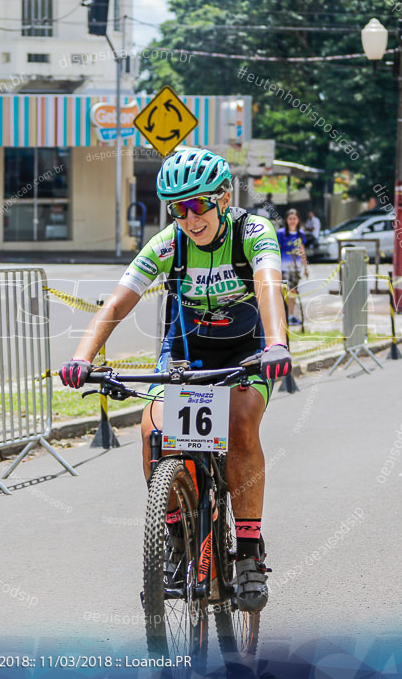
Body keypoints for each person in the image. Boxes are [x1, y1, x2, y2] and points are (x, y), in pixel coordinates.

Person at [58, 148, 290, 613]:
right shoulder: (168, 243)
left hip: (247, 352)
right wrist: (81, 357)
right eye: (176, 208)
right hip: (187, 352)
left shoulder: (252, 231)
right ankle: (176, 535)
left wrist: (278, 344)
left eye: (198, 205)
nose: (188, 217)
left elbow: (267, 286)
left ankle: (246, 551)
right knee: (155, 431)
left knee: (241, 424)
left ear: (224, 197)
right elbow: (117, 304)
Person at [276, 209, 307, 326]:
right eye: (290, 219)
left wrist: (306, 267)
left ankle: (290, 314)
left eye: (294, 219)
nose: (292, 221)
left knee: (293, 292)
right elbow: (277, 249)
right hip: (284, 267)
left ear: (298, 220)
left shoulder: (300, 234)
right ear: (286, 220)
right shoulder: (281, 233)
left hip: (296, 268)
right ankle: (284, 314)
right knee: (287, 291)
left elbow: (302, 251)